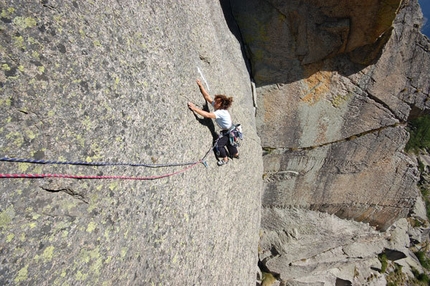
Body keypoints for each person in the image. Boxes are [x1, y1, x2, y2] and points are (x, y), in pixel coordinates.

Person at [188, 79, 239, 166]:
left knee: (219, 145)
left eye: (217, 101)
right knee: (230, 143)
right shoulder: (219, 108)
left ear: (221, 104)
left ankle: (225, 159)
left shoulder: (220, 112)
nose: (214, 101)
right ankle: (235, 154)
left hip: (229, 131)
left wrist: (194, 108)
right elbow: (207, 97)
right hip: (231, 131)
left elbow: (208, 115)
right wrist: (201, 86)